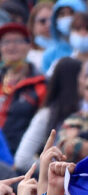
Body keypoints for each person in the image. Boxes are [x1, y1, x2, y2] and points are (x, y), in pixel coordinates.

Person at [14, 57, 82, 171]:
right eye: (84, 76)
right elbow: (22, 160)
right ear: (72, 81)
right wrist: (58, 168)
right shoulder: (47, 115)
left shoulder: (85, 111)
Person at [0, 23, 46, 156]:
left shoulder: (41, 84)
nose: (11, 46)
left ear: (29, 46)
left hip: (20, 159)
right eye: (6, 42)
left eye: (18, 41)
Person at [42, 0, 88, 73]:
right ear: (55, 20)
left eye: (71, 13)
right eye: (62, 14)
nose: (67, 18)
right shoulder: (50, 54)